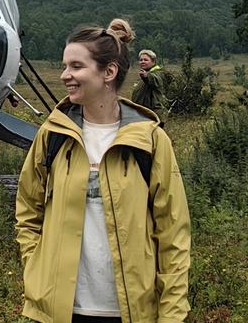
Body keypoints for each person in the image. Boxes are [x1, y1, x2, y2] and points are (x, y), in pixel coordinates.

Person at [15, 18, 191, 323]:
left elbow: (173, 235)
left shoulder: (149, 140)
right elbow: (28, 211)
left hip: (130, 312)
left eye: (76, 66)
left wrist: (172, 314)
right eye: (64, 65)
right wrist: (36, 269)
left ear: (108, 72)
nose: (65, 75)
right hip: (61, 311)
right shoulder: (53, 135)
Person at [131, 48, 167, 113]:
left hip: (153, 114)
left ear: (153, 61)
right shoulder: (146, 72)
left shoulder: (158, 73)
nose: (142, 62)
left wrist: (146, 76)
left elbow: (155, 79)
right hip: (143, 112)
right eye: (141, 60)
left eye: (146, 60)